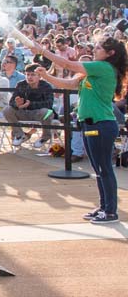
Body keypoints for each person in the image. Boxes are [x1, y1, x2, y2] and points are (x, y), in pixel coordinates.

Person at [28, 35, 127, 223]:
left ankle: (111, 211)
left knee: (104, 168)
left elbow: (68, 64)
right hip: (91, 124)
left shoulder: (104, 67)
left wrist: (43, 51)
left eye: (98, 48)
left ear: (110, 53)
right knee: (98, 169)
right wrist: (46, 76)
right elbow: (67, 84)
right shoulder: (94, 70)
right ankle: (104, 207)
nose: (94, 50)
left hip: (101, 124)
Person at [2, 65, 55, 148]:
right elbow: (12, 102)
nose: (30, 77)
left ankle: (45, 137)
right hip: (23, 112)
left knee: (47, 112)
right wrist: (17, 104)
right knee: (7, 110)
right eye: (28, 74)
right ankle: (19, 134)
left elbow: (49, 103)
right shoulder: (21, 84)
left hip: (39, 113)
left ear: (39, 76)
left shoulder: (46, 86)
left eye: (33, 75)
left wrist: (30, 104)